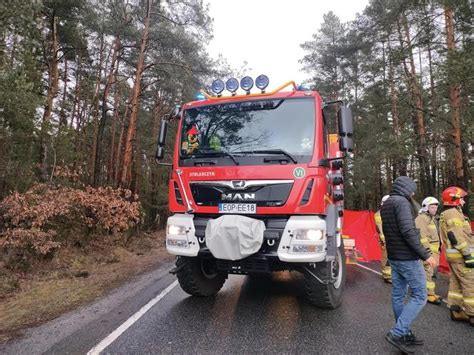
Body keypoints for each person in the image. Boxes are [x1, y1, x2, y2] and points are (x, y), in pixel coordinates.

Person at [381, 176, 437, 353]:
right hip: (407, 258)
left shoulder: (388, 203)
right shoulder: (402, 203)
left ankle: (403, 332)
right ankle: (398, 332)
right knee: (420, 295)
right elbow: (407, 231)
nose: (413, 192)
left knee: (398, 294)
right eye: (412, 189)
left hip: (395, 257)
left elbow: (392, 231)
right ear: (405, 188)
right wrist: (426, 254)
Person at [439, 186, 474, 326]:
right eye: (462, 198)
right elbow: (456, 236)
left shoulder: (449, 213)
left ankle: (456, 311)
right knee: (470, 284)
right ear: (454, 199)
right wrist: (467, 255)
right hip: (461, 256)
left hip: (454, 256)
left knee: (456, 283)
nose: (464, 201)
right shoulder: (454, 214)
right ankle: (472, 314)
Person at [415, 197, 442, 304]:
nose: (435, 209)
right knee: (427, 272)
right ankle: (429, 294)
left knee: (429, 272)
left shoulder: (431, 218)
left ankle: (428, 293)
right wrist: (427, 252)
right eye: (432, 207)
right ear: (426, 207)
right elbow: (422, 237)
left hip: (433, 252)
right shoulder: (421, 219)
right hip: (428, 253)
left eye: (436, 207)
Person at [375, 195, 391, 283]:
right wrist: (384, 239)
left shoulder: (388, 213)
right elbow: (380, 229)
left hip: (390, 238)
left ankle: (390, 273)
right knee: (386, 257)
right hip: (385, 239)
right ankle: (387, 275)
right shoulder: (379, 214)